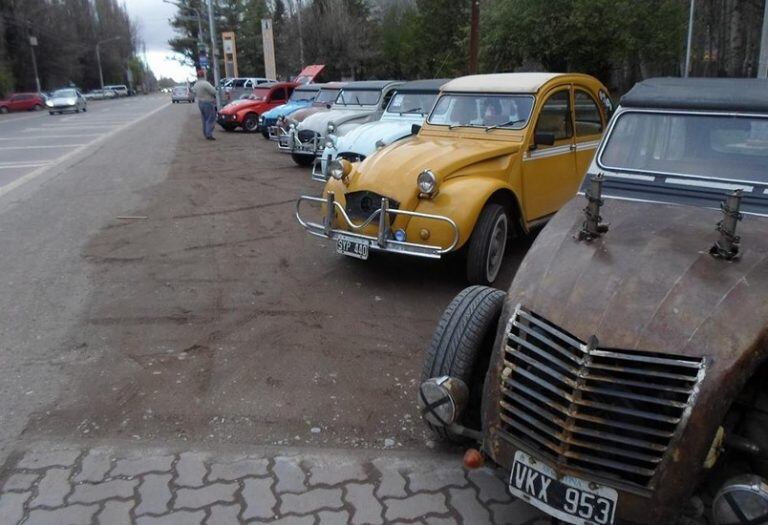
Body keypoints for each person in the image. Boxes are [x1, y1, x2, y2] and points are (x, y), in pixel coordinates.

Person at [192, 70, 217, 140]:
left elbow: (194, 92)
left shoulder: (196, 84)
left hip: (200, 102)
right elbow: (213, 91)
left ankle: (206, 133)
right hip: (208, 102)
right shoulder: (205, 83)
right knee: (210, 119)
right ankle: (209, 134)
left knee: (204, 119)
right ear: (203, 75)